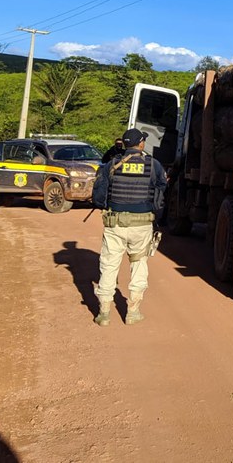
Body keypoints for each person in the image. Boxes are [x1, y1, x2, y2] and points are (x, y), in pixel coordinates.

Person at [91, 128, 167, 326]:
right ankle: (132, 312)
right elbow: (161, 192)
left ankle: (104, 314)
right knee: (139, 264)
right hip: (142, 224)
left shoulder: (112, 164)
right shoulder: (154, 165)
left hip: (114, 224)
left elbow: (99, 196)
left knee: (109, 266)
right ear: (141, 144)